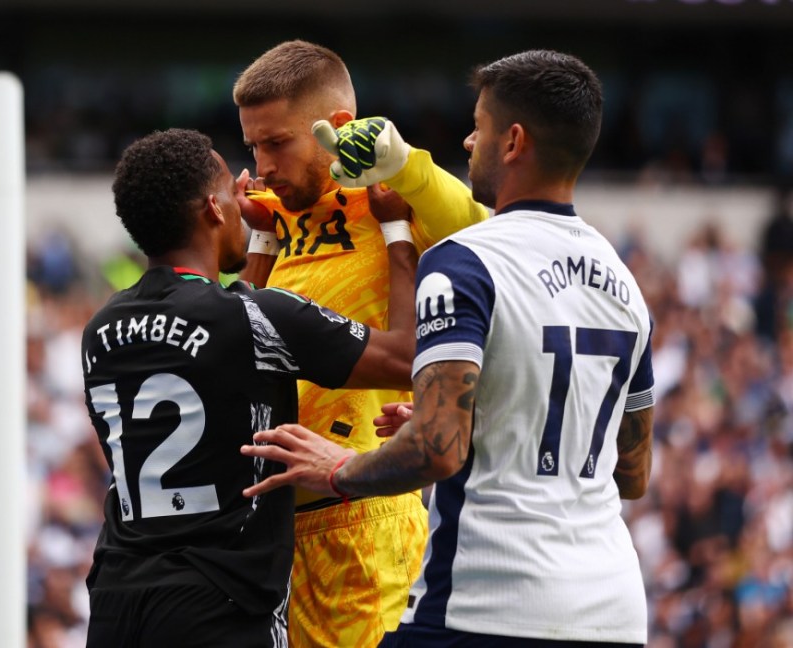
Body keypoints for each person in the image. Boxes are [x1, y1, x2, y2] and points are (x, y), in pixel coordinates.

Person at [242, 49, 656, 647]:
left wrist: (406, 169)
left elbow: (436, 449)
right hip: (610, 601)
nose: (465, 143)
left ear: (513, 141)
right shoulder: (624, 283)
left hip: (474, 589)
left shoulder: (454, 249)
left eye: (478, 128)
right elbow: (632, 471)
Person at [80, 127, 419, 647]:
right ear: (213, 210)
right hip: (219, 605)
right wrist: (397, 228)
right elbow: (403, 358)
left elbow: (234, 343)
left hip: (116, 602)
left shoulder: (100, 328)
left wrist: (260, 239)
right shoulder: (256, 316)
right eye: (230, 196)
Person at [232, 38, 490, 647]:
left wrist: (405, 169)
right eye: (253, 147)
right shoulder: (274, 215)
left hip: (361, 514)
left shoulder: (391, 202)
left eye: (277, 144)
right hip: (269, 522)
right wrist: (260, 241)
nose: (263, 165)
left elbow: (484, 227)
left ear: (336, 127)